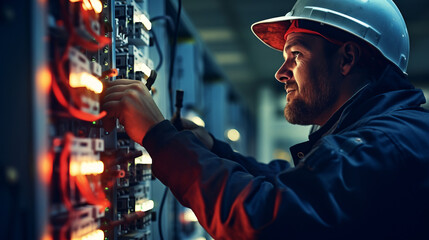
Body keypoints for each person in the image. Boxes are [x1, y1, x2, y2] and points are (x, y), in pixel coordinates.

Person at [102, 0, 429, 239]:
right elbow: (293, 185)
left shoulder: (381, 144)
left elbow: (265, 220)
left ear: (347, 59)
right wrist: (214, 149)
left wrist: (159, 137)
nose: (281, 72)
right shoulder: (385, 135)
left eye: (296, 54)